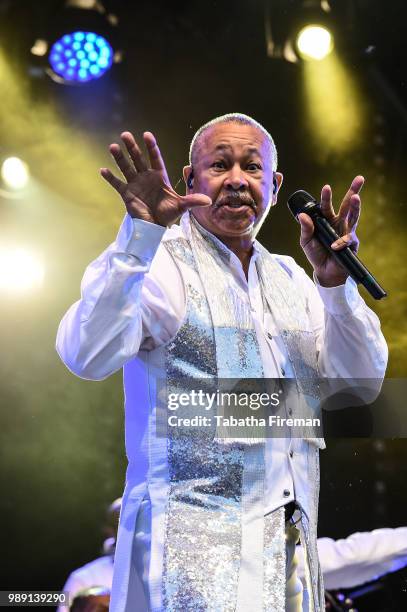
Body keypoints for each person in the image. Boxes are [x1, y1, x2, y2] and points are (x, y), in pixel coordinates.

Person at [56, 113, 388, 611]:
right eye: (220, 164)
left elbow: (359, 386)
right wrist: (137, 237)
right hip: (191, 559)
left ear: (275, 187)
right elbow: (87, 354)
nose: (237, 179)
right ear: (190, 180)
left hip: (289, 559)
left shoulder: (293, 278)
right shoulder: (160, 262)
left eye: (252, 168)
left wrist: (336, 288)